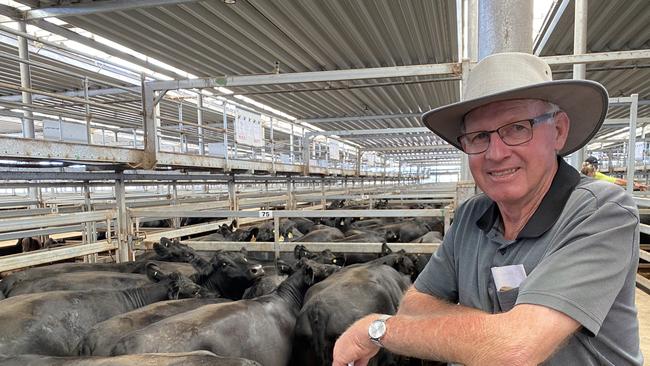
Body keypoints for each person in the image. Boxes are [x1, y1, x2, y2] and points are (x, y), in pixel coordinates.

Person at [332, 52, 642, 365]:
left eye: (517, 128)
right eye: (479, 136)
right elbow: (413, 308)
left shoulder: (602, 211)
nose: (495, 153)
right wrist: (494, 331)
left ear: (558, 131)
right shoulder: (471, 215)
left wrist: (376, 329)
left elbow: (513, 350)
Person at [581, 156, 647, 191]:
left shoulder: (579, 175)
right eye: (595, 165)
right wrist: (635, 184)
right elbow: (617, 181)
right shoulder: (596, 175)